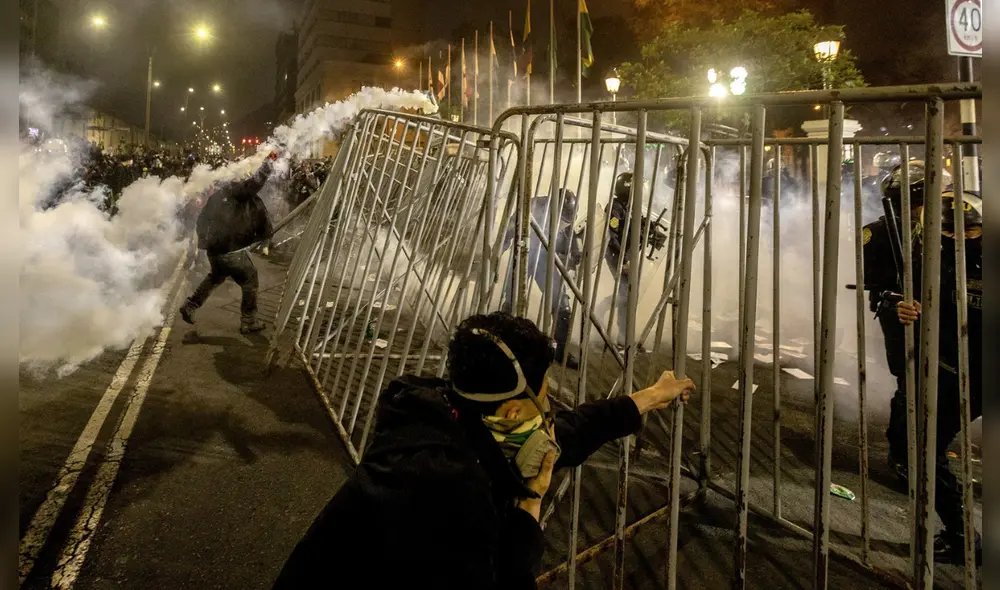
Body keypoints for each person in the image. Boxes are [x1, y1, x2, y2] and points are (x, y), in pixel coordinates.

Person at [272, 311, 695, 589]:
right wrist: (530, 506)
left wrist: (648, 397)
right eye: (544, 398)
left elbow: (565, 433)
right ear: (514, 408)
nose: (548, 411)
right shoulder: (448, 490)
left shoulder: (443, 415)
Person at [895, 190, 982, 564]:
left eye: (968, 231)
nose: (956, 238)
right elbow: (921, 302)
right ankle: (963, 536)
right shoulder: (932, 255)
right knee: (923, 450)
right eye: (948, 231)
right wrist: (907, 308)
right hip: (951, 370)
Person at [180, 157, 276, 334]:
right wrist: (268, 164)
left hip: (216, 250)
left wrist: (204, 242)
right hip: (231, 250)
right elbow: (255, 184)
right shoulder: (237, 191)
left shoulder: (218, 195)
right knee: (250, 280)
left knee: (215, 277)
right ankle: (248, 321)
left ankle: (190, 306)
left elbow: (202, 220)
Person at [500, 188, 584, 368]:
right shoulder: (534, 205)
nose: (563, 224)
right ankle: (501, 342)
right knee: (513, 299)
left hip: (547, 260)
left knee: (562, 305)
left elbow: (572, 239)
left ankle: (561, 351)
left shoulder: (567, 217)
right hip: (524, 254)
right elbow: (510, 228)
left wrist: (575, 256)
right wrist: (498, 252)